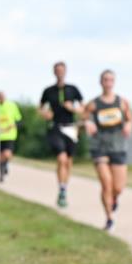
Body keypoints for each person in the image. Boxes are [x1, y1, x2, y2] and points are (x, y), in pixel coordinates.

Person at [83, 70, 132, 232]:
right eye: (105, 79)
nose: (108, 82)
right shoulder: (94, 104)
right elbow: (84, 117)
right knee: (106, 183)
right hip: (100, 146)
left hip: (118, 146)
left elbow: (130, 119)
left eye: (111, 79)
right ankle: (109, 219)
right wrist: (87, 123)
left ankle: (114, 199)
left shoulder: (122, 102)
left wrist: (128, 125)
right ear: (101, 82)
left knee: (118, 187)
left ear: (114, 82)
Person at [39, 62, 84, 207]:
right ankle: (62, 190)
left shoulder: (73, 89)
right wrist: (45, 114)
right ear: (54, 72)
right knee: (61, 159)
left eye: (62, 70)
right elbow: (40, 108)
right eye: (57, 70)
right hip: (56, 127)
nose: (59, 72)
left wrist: (74, 109)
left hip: (71, 128)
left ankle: (64, 187)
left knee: (68, 162)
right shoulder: (48, 91)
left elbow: (84, 109)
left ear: (65, 72)